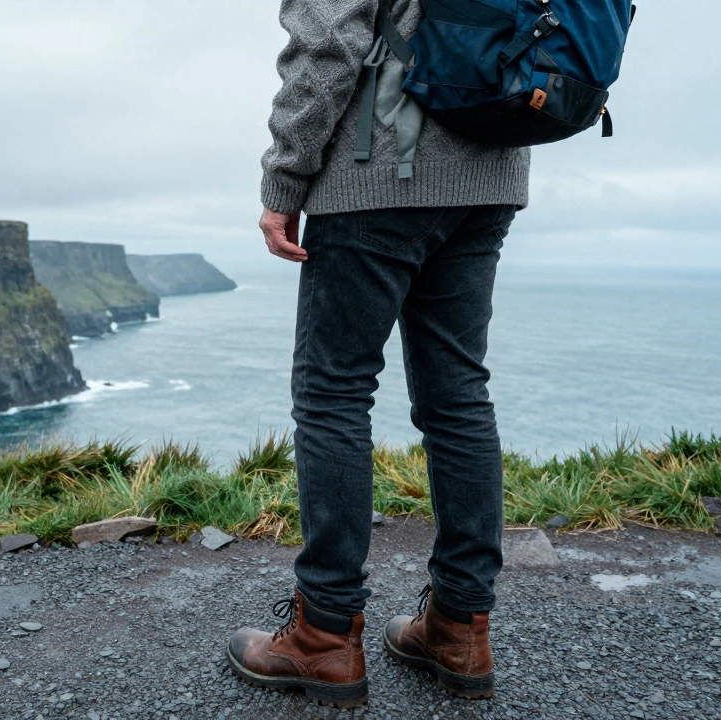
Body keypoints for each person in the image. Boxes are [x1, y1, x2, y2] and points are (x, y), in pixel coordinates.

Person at [225, 0, 529, 707]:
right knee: (457, 395)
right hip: (491, 171)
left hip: (376, 174)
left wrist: (284, 180)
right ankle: (460, 627)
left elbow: (328, 41)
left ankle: (324, 636)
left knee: (333, 394)